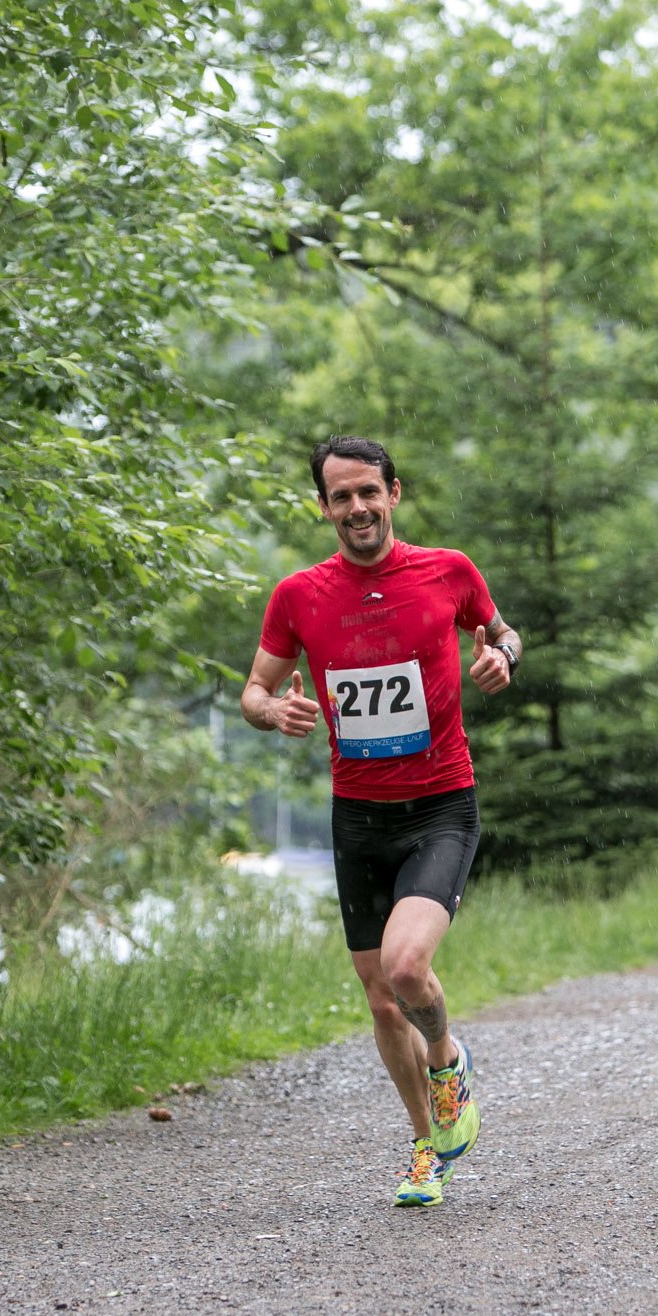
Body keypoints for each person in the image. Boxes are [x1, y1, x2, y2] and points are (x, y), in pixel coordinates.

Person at [240, 435, 521, 1208]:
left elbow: (503, 632)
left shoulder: (449, 571)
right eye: (342, 496)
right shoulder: (298, 595)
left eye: (369, 491)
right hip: (358, 817)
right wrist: (274, 711)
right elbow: (255, 690)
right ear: (324, 506)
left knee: (405, 968)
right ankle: (428, 1144)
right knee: (378, 996)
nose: (357, 507)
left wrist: (504, 657)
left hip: (440, 806)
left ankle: (447, 1058)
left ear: (394, 492)